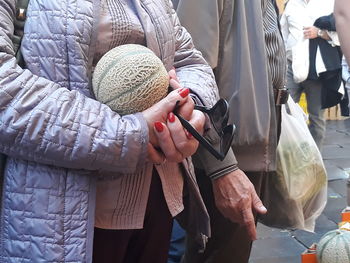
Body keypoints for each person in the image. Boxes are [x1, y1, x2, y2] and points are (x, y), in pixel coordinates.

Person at [0, 0, 221, 262]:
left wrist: (190, 109)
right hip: (59, 217)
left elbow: (188, 59)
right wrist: (130, 134)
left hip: (157, 207)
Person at [173, 0, 287, 262]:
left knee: (230, 248)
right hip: (225, 142)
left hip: (246, 136)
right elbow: (188, 71)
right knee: (221, 251)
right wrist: (221, 167)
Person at [281, 0, 343, 150]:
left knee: (316, 119)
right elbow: (282, 35)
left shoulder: (328, 4)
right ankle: (288, 159)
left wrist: (320, 33)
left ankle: (315, 164)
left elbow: (343, 34)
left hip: (317, 72)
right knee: (284, 114)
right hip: (290, 67)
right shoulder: (291, 4)